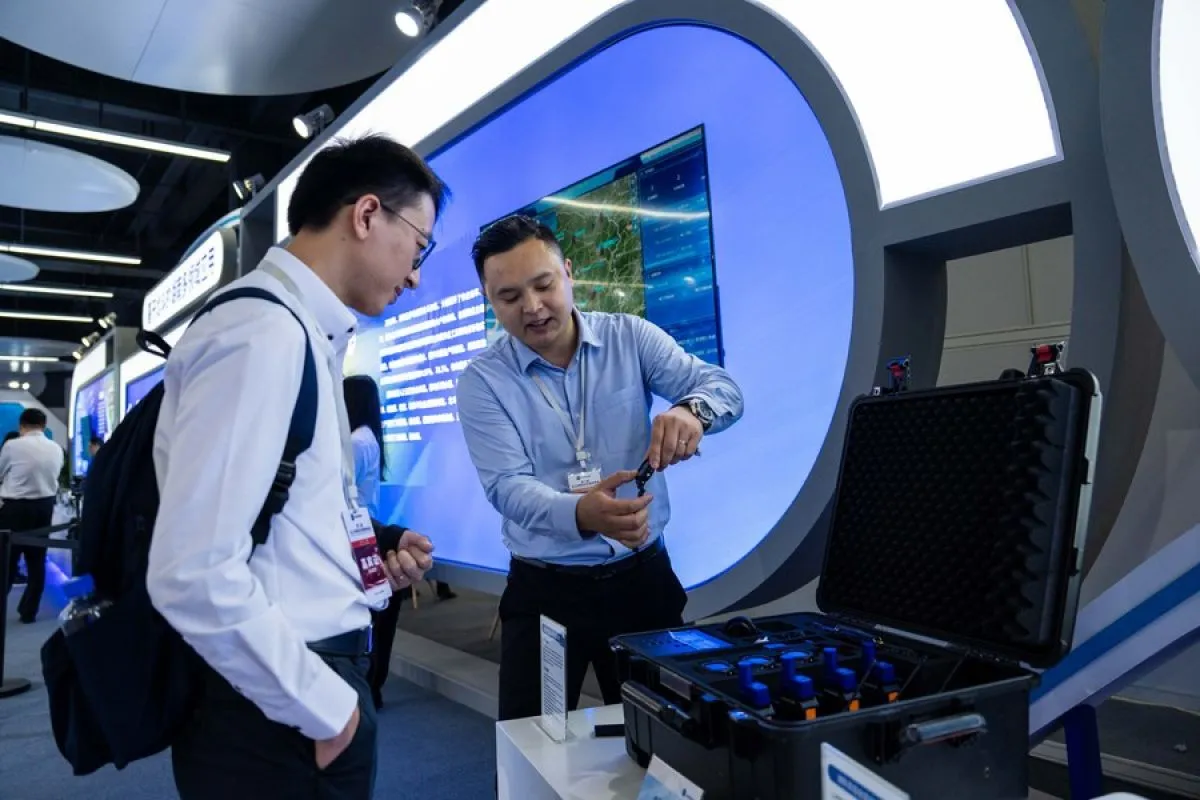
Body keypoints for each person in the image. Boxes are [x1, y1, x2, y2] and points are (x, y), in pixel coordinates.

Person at [146, 134, 447, 799]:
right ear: (366, 215)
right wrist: (326, 708)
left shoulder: (301, 331)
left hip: (290, 688)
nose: (415, 276)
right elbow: (191, 571)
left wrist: (373, 562)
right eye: (419, 246)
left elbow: (285, 521)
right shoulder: (262, 333)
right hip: (277, 705)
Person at [456, 215, 745, 721]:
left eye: (544, 285)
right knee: (532, 742)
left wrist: (691, 411)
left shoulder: (629, 338)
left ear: (569, 273)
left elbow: (724, 390)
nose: (532, 307)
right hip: (545, 592)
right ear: (489, 300)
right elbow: (507, 486)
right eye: (509, 297)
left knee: (665, 736)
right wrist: (580, 514)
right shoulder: (483, 381)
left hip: (642, 584)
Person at [0, 408, 65, 623]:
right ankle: (29, 612)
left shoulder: (12, 446)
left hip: (15, 509)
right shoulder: (56, 448)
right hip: (44, 508)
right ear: (44, 426)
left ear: (22, 425)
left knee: (7, 562)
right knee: (37, 561)